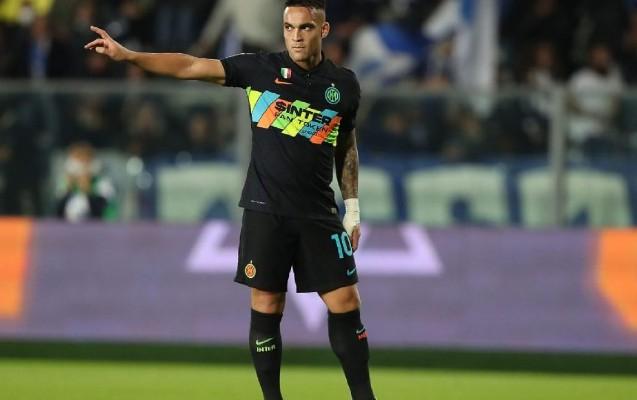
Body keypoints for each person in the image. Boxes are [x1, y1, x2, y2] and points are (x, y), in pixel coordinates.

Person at [84, 1, 375, 399]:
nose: (295, 36)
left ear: (323, 31)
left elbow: (346, 146)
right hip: (266, 210)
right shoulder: (260, 69)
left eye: (305, 28)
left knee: (346, 300)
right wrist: (130, 55)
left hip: (319, 212)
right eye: (288, 27)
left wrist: (352, 208)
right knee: (267, 304)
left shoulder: (343, 85)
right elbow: (190, 66)